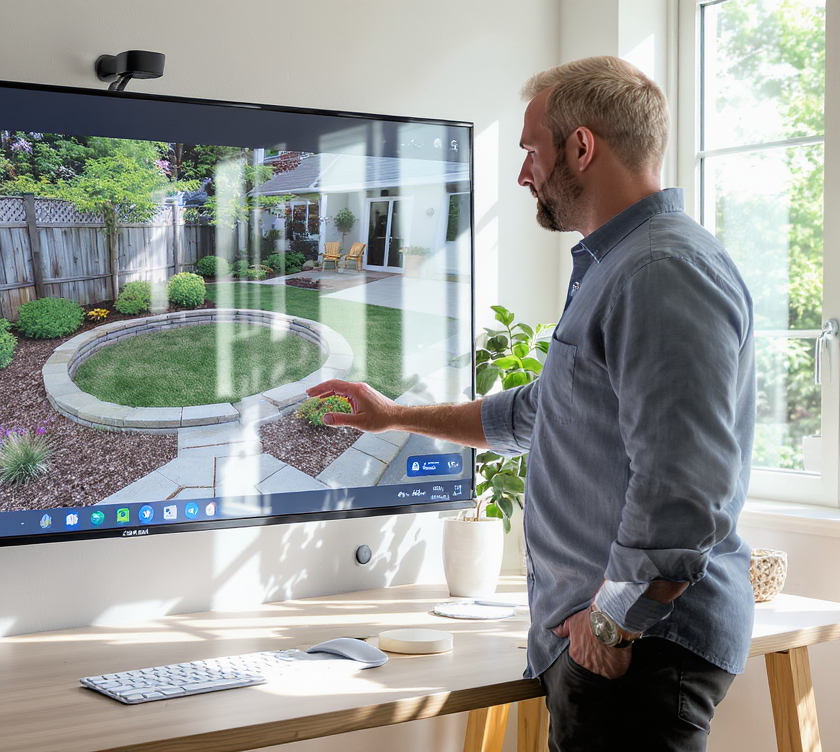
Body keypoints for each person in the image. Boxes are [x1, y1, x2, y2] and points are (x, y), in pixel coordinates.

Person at [309, 56, 754, 752]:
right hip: (613, 649)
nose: (523, 173)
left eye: (529, 150)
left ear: (581, 146)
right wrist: (393, 414)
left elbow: (685, 483)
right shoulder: (619, 268)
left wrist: (613, 621)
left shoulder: (659, 270)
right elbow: (538, 413)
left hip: (635, 652)